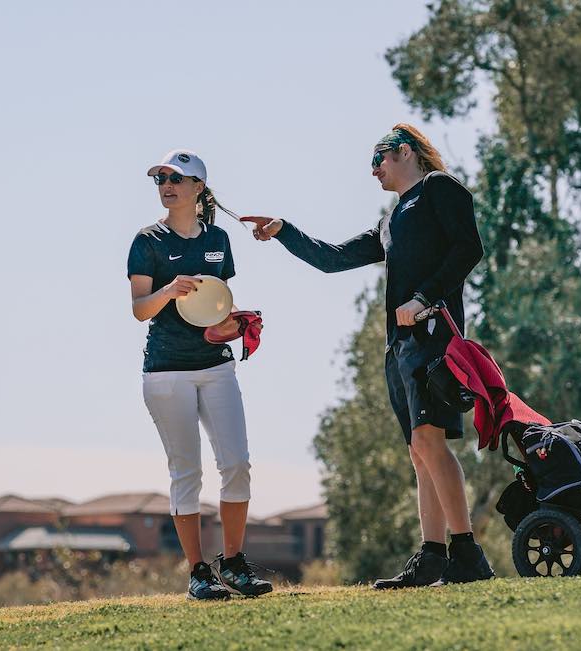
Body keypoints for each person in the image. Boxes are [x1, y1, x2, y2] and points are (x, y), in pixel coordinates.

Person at [241, 124, 493, 589]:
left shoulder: (439, 188)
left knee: (431, 443)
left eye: (378, 159)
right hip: (399, 345)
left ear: (404, 152)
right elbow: (333, 258)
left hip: (434, 334)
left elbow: (469, 248)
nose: (373, 171)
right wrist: (283, 231)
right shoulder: (391, 219)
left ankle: (467, 554)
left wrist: (425, 299)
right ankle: (434, 555)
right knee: (420, 449)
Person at [127, 150, 273, 600]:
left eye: (176, 178)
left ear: (197, 188)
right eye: (161, 179)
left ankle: (232, 563)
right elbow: (138, 310)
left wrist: (231, 325)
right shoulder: (146, 240)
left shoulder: (220, 240)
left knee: (237, 465)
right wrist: (168, 290)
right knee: (186, 472)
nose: (166, 185)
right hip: (166, 371)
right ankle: (197, 572)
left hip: (216, 365)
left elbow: (216, 305)